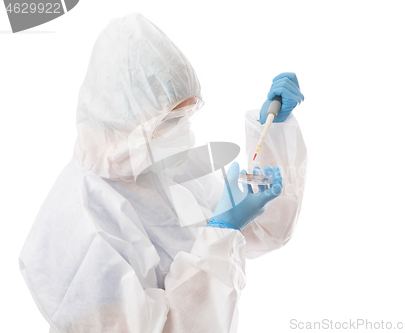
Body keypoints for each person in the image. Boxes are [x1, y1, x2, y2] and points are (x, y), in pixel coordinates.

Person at [19, 13, 307, 333]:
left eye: (185, 117)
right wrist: (222, 230)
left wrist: (274, 133)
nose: (181, 132)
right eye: (168, 121)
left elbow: (264, 233)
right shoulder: (81, 216)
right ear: (114, 108)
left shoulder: (162, 161)